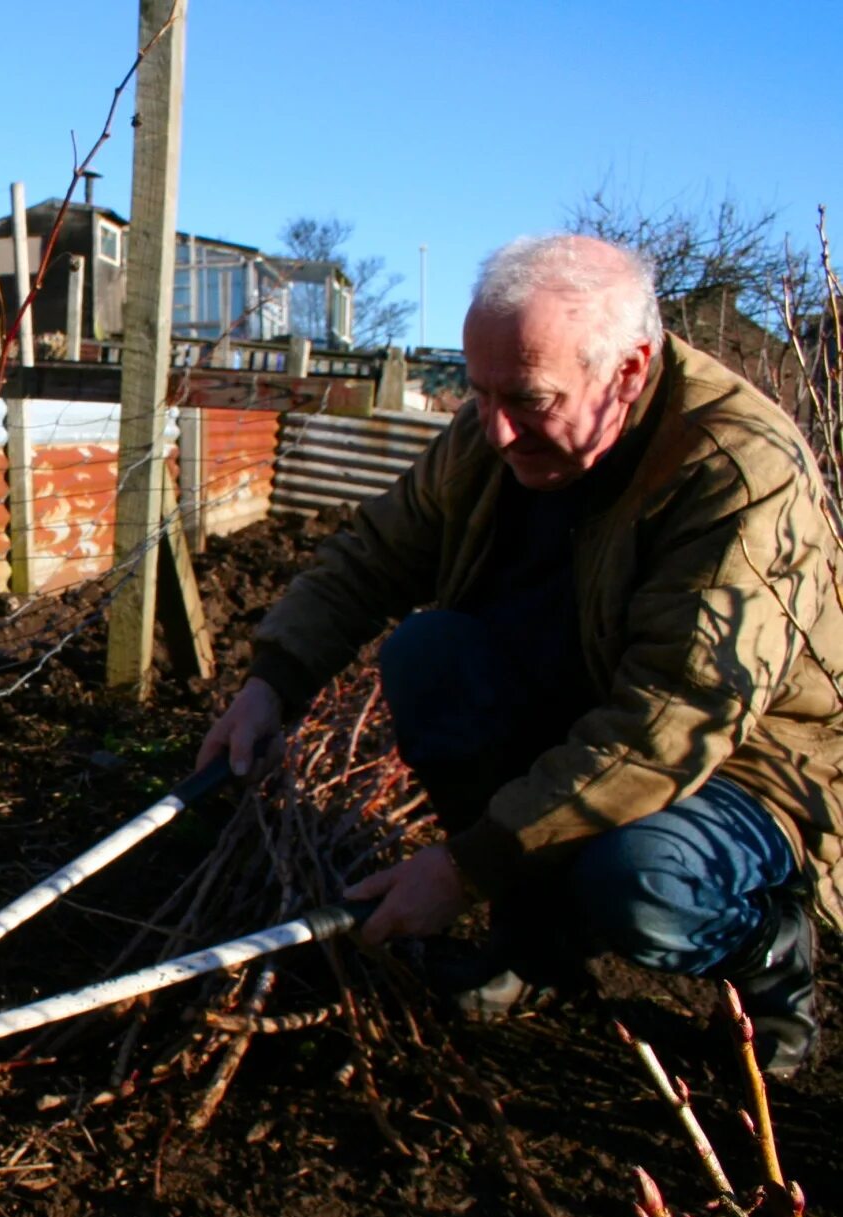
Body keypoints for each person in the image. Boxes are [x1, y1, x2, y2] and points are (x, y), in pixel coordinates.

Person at [199, 234, 843, 1077]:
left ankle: (770, 952)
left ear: (629, 371)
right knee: (431, 654)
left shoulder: (735, 473)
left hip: (745, 765)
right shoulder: (493, 430)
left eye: (531, 400)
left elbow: (672, 725)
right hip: (580, 706)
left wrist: (467, 867)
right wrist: (271, 684)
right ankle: (536, 944)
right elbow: (374, 555)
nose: (496, 429)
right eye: (479, 391)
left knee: (638, 880)